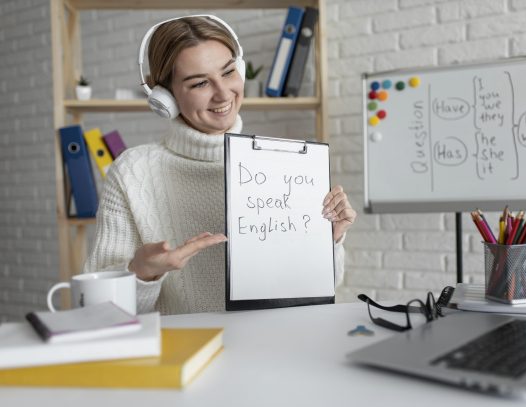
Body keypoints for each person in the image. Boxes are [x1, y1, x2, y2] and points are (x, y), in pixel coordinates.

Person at [84, 16, 356, 314]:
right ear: (165, 97)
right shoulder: (133, 172)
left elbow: (326, 284)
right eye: (200, 82)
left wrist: (328, 240)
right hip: (190, 353)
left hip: (275, 346)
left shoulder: (284, 163)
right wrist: (142, 271)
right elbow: (100, 310)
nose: (223, 93)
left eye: (228, 72)